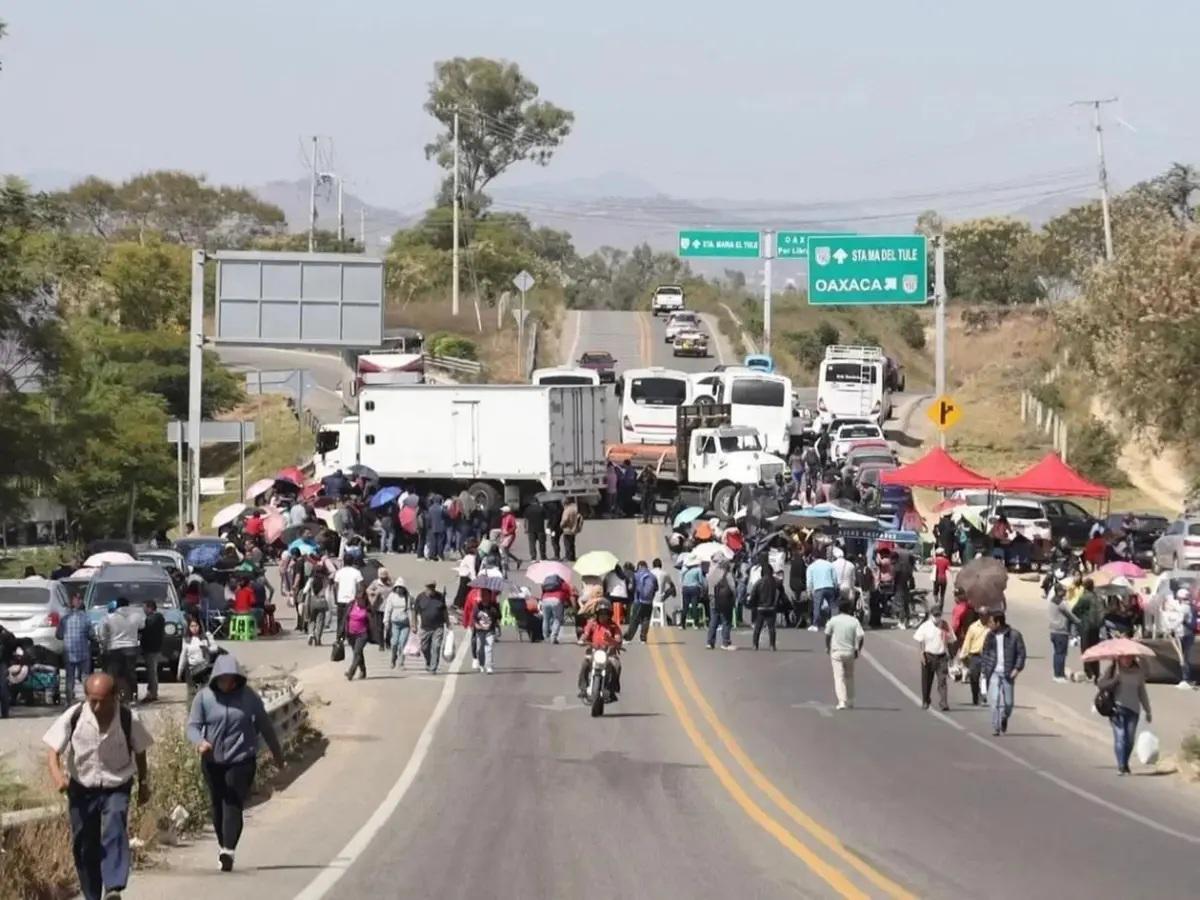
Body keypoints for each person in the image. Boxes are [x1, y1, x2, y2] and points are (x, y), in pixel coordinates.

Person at [44, 673, 153, 900]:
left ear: (115, 697)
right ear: (86, 697)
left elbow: (140, 751)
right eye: (92, 699)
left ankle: (113, 887)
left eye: (103, 700)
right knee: (84, 842)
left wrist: (143, 783)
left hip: (117, 784)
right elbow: (53, 752)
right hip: (82, 786)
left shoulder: (127, 718)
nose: (96, 705)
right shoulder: (74, 716)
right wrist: (58, 777)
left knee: (114, 823)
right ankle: (92, 894)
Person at [186, 654, 285, 871]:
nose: (227, 683)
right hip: (212, 760)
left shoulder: (249, 697)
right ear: (215, 678)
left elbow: (266, 726)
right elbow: (192, 726)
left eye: (231, 678)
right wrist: (200, 741)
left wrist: (278, 755)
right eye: (223, 679)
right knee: (217, 803)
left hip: (242, 759)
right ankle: (224, 847)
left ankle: (229, 850)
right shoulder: (204, 698)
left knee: (233, 801)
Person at [1098, 655, 1153, 774]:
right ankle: (1122, 766)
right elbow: (1101, 684)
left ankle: (1125, 762)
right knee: (1120, 737)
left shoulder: (1138, 672)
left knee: (1130, 740)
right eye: (1124, 658)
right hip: (1117, 709)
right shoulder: (1112, 670)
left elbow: (1142, 692)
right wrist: (1115, 680)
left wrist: (1148, 710)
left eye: (1130, 658)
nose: (1127, 660)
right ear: (1119, 658)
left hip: (1134, 710)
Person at [981, 613, 1026, 736]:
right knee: (994, 700)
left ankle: (1004, 717)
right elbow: (985, 653)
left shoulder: (1014, 635)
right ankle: (996, 726)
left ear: (998, 623)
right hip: (993, 672)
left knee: (1008, 703)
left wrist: (1017, 669)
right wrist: (984, 670)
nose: (989, 625)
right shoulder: (990, 636)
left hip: (1008, 673)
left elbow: (1021, 654)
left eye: (991, 622)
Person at [101, 597, 144, 706]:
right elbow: (142, 626)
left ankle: (116, 695)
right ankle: (133, 695)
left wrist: (104, 646)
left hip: (114, 648)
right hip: (131, 647)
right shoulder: (136, 616)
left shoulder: (109, 617)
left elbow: (103, 632)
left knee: (115, 674)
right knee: (130, 672)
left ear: (117, 605)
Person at [576, 600, 622, 699]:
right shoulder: (592, 624)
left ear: (609, 615)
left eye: (605, 614)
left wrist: (612, 641)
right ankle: (583, 688)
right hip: (594, 652)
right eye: (601, 614)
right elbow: (585, 634)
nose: (603, 616)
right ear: (597, 615)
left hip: (609, 654)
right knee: (585, 663)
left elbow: (618, 640)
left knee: (616, 666)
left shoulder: (614, 627)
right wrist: (582, 640)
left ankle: (612, 689)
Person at [825, 598, 865, 710]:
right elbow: (861, 636)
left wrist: (828, 647)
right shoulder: (854, 621)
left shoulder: (833, 620)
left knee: (839, 677)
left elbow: (827, 634)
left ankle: (842, 701)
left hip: (837, 652)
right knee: (849, 676)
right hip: (850, 652)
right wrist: (858, 649)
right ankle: (851, 700)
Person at [913, 606, 956, 711]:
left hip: (941, 657)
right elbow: (919, 640)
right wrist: (921, 654)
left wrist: (951, 657)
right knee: (927, 681)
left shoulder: (945, 626)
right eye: (935, 615)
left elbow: (951, 641)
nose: (937, 617)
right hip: (928, 656)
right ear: (931, 615)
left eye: (939, 615)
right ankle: (925, 700)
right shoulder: (925, 626)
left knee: (942, 681)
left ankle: (944, 703)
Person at [57, 591, 94, 707]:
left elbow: (58, 635)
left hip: (69, 652)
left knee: (70, 677)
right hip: (83, 652)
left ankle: (69, 701)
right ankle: (88, 700)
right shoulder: (86, 619)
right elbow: (91, 635)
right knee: (85, 677)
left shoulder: (65, 619)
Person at [1048, 582, 1081, 683]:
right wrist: (1079, 622)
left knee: (1057, 654)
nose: (1065, 592)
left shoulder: (1052, 601)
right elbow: (1070, 614)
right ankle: (1059, 675)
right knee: (1061, 654)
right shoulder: (1061, 603)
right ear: (1059, 591)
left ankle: (1057, 673)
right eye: (1063, 591)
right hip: (1061, 631)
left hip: (1053, 631)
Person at [414, 581, 448, 674]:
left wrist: (448, 623)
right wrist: (414, 624)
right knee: (424, 648)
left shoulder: (440, 596)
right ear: (426, 588)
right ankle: (428, 661)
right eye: (429, 588)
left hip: (438, 626)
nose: (431, 590)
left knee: (436, 646)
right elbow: (415, 611)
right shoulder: (420, 597)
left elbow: (444, 610)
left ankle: (433, 668)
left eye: (433, 588)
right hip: (425, 627)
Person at [177, 618, 216, 700]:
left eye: (196, 626)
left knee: (206, 694)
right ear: (189, 627)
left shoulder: (206, 636)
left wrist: (207, 649)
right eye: (192, 626)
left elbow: (215, 648)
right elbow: (183, 656)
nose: (194, 628)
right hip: (192, 670)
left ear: (200, 626)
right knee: (193, 696)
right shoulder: (186, 639)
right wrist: (179, 671)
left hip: (205, 668)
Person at [345, 591, 378, 681]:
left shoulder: (368, 609)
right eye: (358, 599)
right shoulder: (351, 605)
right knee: (358, 653)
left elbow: (373, 622)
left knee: (357, 652)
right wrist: (342, 633)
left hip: (362, 634)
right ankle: (363, 670)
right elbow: (345, 619)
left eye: (361, 599)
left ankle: (351, 672)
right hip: (351, 634)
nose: (360, 601)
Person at [959, 612, 990, 705]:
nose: (986, 617)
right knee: (974, 678)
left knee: (986, 677)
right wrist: (963, 656)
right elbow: (967, 642)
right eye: (984, 615)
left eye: (987, 615)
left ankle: (983, 695)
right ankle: (975, 696)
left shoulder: (991, 627)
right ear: (980, 616)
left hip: (987, 656)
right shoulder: (973, 627)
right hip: (975, 656)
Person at [749, 554, 779, 651]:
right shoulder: (775, 582)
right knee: (771, 628)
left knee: (758, 627)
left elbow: (753, 594)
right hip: (771, 607)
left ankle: (755, 645)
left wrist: (752, 603)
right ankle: (772, 645)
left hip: (760, 607)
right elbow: (779, 593)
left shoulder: (759, 582)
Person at [705, 559, 737, 650]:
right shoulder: (727, 574)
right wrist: (734, 599)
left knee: (713, 621)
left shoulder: (712, 573)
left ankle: (710, 642)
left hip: (713, 599)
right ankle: (725, 642)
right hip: (724, 601)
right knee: (726, 621)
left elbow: (707, 586)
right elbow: (733, 588)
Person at [625, 560, 659, 643]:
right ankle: (643, 639)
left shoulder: (636, 575)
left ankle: (628, 638)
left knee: (635, 620)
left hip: (638, 601)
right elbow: (656, 588)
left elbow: (631, 588)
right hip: (649, 602)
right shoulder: (653, 576)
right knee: (646, 619)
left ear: (639, 566)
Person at [383, 578, 413, 670]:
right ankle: (393, 659)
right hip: (395, 623)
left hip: (405, 624)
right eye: (397, 587)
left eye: (401, 587)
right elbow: (388, 609)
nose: (399, 589)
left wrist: (413, 623)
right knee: (394, 642)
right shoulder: (391, 596)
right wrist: (386, 621)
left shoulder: (408, 596)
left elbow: (410, 610)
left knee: (402, 643)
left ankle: (401, 662)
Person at [139, 600, 165, 703]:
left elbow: (145, 628)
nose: (144, 610)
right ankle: (151, 692)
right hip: (152, 648)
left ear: (150, 608)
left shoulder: (155, 619)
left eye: (144, 608)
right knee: (151, 671)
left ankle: (152, 693)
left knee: (152, 672)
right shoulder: (155, 618)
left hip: (152, 649)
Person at [806, 550, 837, 632]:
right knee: (832, 606)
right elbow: (834, 578)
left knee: (817, 607)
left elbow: (809, 581)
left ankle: (816, 624)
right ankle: (833, 624)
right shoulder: (829, 565)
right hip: (830, 586)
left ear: (813, 557)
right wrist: (835, 587)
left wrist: (809, 591)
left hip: (818, 588)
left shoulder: (811, 567)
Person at [472, 587, 501, 674]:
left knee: (489, 648)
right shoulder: (478, 606)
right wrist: (477, 625)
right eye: (482, 594)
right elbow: (474, 618)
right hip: (480, 631)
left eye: (486, 594)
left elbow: (499, 617)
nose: (484, 596)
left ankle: (489, 666)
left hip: (490, 631)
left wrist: (496, 610)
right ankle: (481, 664)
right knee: (479, 649)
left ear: (489, 595)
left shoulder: (493, 606)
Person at [333, 557, 363, 638]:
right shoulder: (356, 572)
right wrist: (359, 598)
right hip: (352, 600)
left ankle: (339, 636)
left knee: (340, 619)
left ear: (344, 562)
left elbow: (335, 586)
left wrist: (336, 598)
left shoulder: (339, 572)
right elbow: (360, 587)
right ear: (352, 562)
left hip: (341, 599)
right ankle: (349, 635)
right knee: (350, 619)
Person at [540, 576, 572, 644]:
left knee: (546, 619)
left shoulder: (547, 583)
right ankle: (553, 637)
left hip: (545, 600)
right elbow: (568, 595)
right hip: (557, 600)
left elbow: (542, 592)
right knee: (557, 619)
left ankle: (545, 637)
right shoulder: (563, 584)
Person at [679, 554, 705, 628]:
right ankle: (695, 624)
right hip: (694, 588)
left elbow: (681, 579)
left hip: (685, 588)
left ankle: (682, 624)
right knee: (694, 606)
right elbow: (701, 581)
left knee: (685, 606)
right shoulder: (698, 569)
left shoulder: (684, 569)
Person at [499, 505, 521, 571]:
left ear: (506, 512)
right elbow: (503, 527)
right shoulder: (503, 518)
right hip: (504, 535)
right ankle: (517, 560)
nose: (501, 512)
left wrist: (508, 532)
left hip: (510, 535)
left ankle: (506, 565)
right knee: (505, 550)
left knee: (503, 549)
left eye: (502, 511)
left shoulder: (511, 517)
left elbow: (514, 527)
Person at [524, 497, 546, 562]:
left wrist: (525, 528)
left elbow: (526, 520)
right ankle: (543, 557)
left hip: (531, 529)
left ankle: (533, 558)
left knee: (532, 544)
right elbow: (545, 518)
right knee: (542, 543)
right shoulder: (541, 508)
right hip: (540, 528)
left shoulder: (528, 509)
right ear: (537, 502)